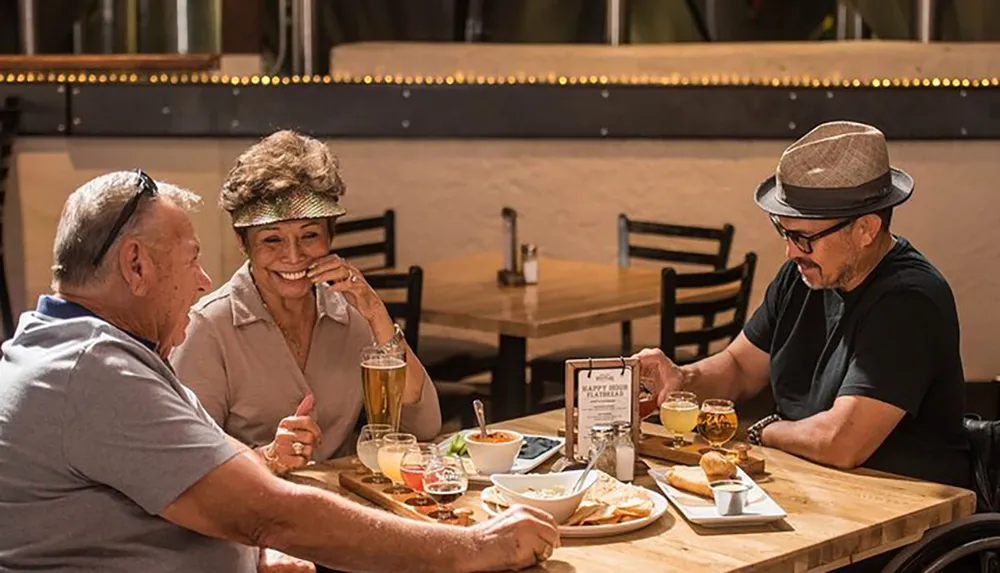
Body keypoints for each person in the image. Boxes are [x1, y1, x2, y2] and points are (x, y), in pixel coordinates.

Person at [0, 170, 559, 572]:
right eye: (193, 258)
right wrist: (473, 548)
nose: (201, 281)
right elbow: (274, 513)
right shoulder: (95, 368)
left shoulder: (87, 349)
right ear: (136, 265)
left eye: (310, 235)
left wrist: (253, 551)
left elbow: (215, 483)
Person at [635, 120, 969, 489]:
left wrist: (763, 431)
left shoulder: (909, 301)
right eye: (784, 231)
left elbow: (842, 442)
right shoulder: (804, 274)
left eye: (804, 237)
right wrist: (682, 380)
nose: (791, 251)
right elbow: (740, 367)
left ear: (866, 229)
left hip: (902, 512)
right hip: (817, 486)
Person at [170, 130, 441, 476]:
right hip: (251, 520)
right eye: (272, 239)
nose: (294, 256)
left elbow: (424, 427)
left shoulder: (352, 314)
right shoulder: (207, 328)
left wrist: (375, 312)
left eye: (309, 235)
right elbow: (186, 464)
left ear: (331, 234)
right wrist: (266, 458)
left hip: (346, 506)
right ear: (243, 241)